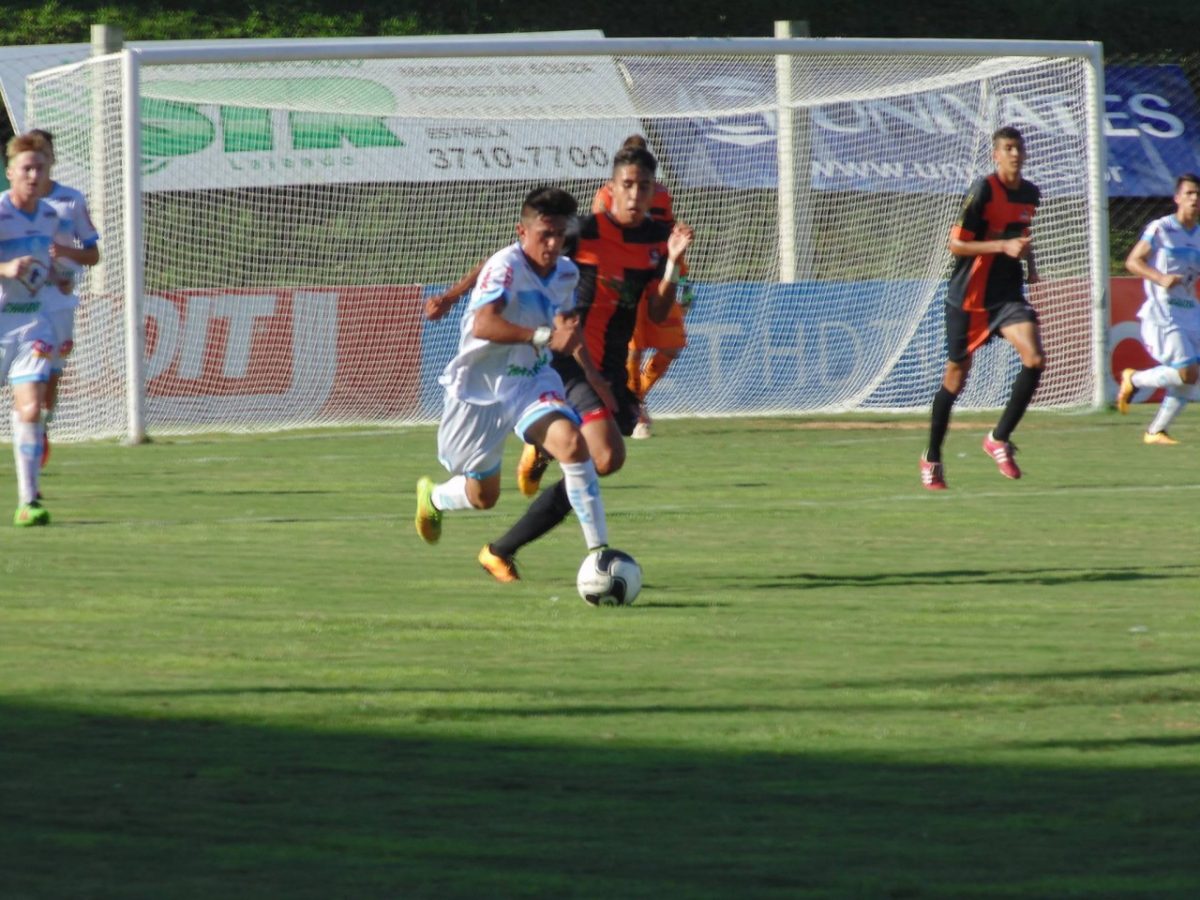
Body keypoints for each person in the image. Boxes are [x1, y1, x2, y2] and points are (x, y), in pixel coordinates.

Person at [478, 145, 694, 581]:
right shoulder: (581, 232)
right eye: (627, 185)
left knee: (604, 460)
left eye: (644, 186)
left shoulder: (659, 237)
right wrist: (454, 295)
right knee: (604, 454)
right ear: (610, 189)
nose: (635, 194)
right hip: (569, 359)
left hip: (609, 368)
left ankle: (512, 521)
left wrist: (671, 264)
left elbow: (655, 314)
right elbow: (518, 253)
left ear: (655, 192)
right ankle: (509, 545)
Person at [414, 186, 612, 577]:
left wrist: (592, 375)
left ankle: (600, 555)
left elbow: (564, 326)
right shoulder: (506, 266)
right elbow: (486, 323)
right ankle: (434, 497)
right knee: (483, 497)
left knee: (573, 445)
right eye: (545, 234)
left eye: (560, 235)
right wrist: (541, 336)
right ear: (522, 233)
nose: (553, 244)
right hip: (478, 389)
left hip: (529, 379)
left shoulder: (566, 272)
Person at [920, 125, 1043, 490]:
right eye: (1008, 148)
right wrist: (1000, 248)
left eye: (1019, 148)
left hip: (1006, 295)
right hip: (969, 296)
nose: (1015, 154)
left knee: (1035, 358)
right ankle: (932, 457)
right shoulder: (983, 191)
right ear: (996, 154)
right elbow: (956, 246)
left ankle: (998, 438)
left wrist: (1031, 264)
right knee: (955, 378)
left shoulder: (1031, 194)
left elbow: (1020, 235)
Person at [591, 134, 693, 440]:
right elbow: (598, 237)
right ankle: (636, 413)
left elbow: (669, 235)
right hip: (625, 277)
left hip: (659, 275)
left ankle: (636, 399)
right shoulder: (605, 195)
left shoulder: (661, 194)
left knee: (671, 346)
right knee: (632, 348)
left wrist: (682, 276)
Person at [29, 129, 101, 468]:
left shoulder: (71, 200)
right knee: (23, 370)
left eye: (43, 156)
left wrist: (64, 252)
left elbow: (93, 254)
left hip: (59, 300)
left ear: (52, 160)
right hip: (20, 302)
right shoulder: (8, 204)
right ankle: (28, 423)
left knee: (52, 374)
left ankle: (42, 429)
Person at [0, 133, 61, 525]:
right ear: (10, 173)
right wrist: (4, 269)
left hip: (32, 324)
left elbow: (44, 262)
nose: (34, 174)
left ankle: (29, 501)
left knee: (32, 407)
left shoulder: (51, 215)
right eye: (27, 168)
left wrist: (57, 276)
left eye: (40, 167)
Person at [1116, 173, 1200, 444]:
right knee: (1188, 370)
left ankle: (1156, 431)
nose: (1195, 198)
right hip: (1164, 312)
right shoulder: (1161, 229)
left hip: (1190, 310)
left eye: (1198, 194)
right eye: (1189, 193)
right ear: (1177, 198)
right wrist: (1160, 278)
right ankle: (1135, 379)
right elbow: (1133, 261)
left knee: (1191, 375)